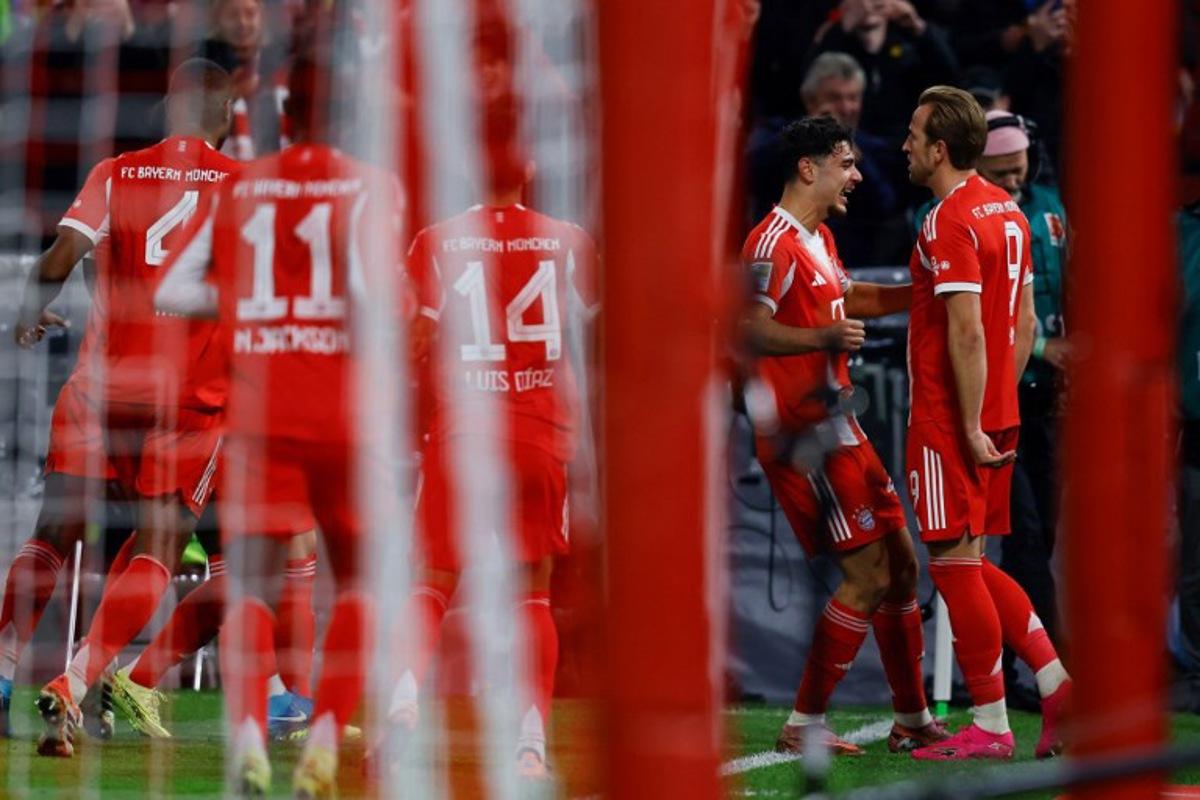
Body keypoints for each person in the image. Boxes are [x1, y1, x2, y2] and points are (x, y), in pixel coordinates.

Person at [156, 48, 403, 795]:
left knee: (253, 588)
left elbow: (173, 288)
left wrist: (250, 308)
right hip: (340, 413)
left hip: (261, 414)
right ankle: (326, 736)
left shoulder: (244, 187)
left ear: (287, 114)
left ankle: (250, 742)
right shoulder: (375, 186)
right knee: (361, 584)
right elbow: (377, 297)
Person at [5, 59, 236, 757]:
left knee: (52, 535)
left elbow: (58, 257)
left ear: (169, 109)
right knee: (160, 546)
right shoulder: (248, 188)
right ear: (227, 116)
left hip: (101, 389)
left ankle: (4, 671)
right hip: (188, 401)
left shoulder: (115, 172)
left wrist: (27, 313)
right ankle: (75, 683)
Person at [380, 115, 598, 781]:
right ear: (529, 171)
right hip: (539, 434)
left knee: (433, 580)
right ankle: (530, 743)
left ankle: (402, 703)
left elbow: (411, 342)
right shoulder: (569, 241)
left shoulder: (436, 242)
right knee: (532, 594)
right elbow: (602, 329)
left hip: (461, 433)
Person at [739, 115, 946, 756]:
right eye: (846, 163)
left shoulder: (819, 237)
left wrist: (922, 292)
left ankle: (911, 717)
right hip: (804, 436)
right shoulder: (768, 243)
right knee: (866, 576)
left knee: (904, 567)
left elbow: (848, 296)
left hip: (842, 427)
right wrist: (820, 340)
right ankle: (804, 725)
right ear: (810, 168)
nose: (857, 175)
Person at [901, 85, 1070, 760]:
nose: (906, 145)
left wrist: (965, 422)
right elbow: (1024, 321)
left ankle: (993, 725)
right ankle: (1057, 684)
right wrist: (997, 406)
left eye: (915, 135)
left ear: (940, 148)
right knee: (971, 561)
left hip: (952, 418)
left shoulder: (948, 221)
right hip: (1002, 411)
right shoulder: (1008, 212)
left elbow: (966, 332)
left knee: (951, 566)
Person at [808, 0, 958, 141]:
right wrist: (843, 27)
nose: (868, 5)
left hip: (906, 141)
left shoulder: (911, 37)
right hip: (851, 141)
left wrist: (918, 27)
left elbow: (951, 79)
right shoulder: (835, 39)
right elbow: (808, 84)